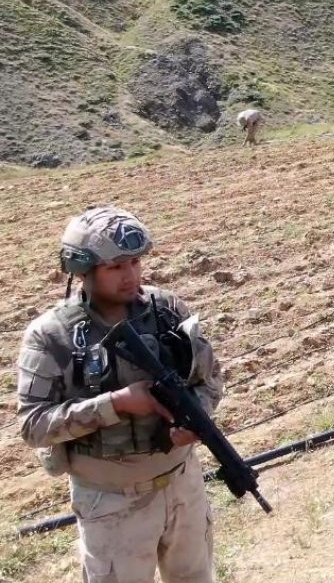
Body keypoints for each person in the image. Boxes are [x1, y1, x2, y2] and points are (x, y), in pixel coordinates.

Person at [17, 207, 224, 583]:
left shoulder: (167, 311)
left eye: (134, 262)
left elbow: (209, 379)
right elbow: (33, 426)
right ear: (82, 270)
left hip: (182, 483)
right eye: (115, 267)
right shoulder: (52, 336)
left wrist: (193, 422)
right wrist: (115, 404)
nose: (130, 275)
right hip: (111, 502)